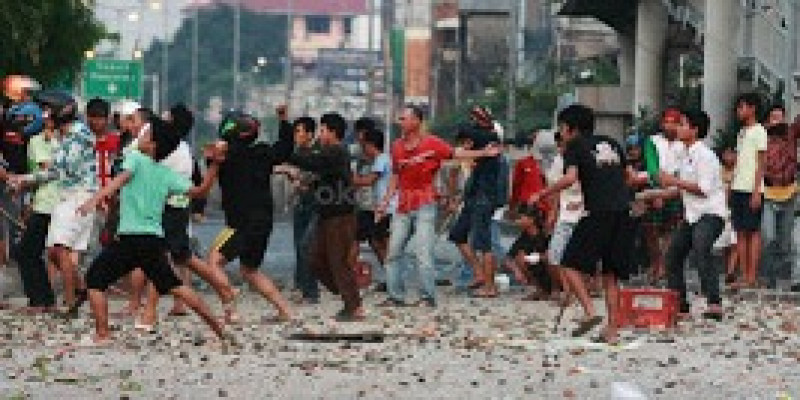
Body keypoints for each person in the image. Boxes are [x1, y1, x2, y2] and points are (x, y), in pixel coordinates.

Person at [77, 117, 226, 346]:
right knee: (176, 286)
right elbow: (200, 191)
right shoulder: (167, 174)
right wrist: (214, 165)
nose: (141, 137)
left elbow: (121, 179)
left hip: (130, 238)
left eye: (146, 135)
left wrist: (95, 199)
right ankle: (219, 329)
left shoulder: (135, 158)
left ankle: (103, 334)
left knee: (95, 279)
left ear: (153, 145)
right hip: (153, 240)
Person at [528, 104, 633, 344]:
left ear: (569, 128)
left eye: (562, 128)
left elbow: (570, 178)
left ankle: (590, 312)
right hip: (622, 212)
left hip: (598, 212)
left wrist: (542, 193)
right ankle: (612, 331)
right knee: (610, 274)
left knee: (568, 263)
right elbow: (630, 177)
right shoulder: (612, 143)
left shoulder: (575, 146)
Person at [376, 105, 499, 307]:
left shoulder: (432, 143)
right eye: (400, 119)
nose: (400, 122)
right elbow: (396, 176)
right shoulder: (397, 146)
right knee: (393, 253)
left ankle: (428, 296)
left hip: (425, 204)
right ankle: (395, 295)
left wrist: (483, 153)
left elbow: (456, 153)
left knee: (423, 253)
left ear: (416, 121)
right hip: (403, 206)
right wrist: (385, 201)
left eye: (404, 118)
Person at [137, 104, 238, 329]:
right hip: (176, 210)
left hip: (169, 210)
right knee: (185, 258)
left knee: (160, 259)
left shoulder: (171, 150)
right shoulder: (181, 148)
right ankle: (226, 292)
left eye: (166, 116)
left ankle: (149, 312)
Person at [9, 91, 97, 315]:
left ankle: (68, 302)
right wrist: (25, 180)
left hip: (77, 197)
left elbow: (60, 170)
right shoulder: (66, 136)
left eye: (47, 111)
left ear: (61, 112)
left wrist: (25, 179)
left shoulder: (77, 136)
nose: (44, 116)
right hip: (66, 197)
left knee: (59, 250)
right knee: (55, 251)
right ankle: (76, 292)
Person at [206, 109, 293, 323]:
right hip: (263, 221)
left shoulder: (224, 156)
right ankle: (285, 310)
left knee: (214, 262)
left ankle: (231, 309)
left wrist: (214, 156)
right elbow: (285, 149)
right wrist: (284, 121)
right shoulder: (262, 153)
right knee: (249, 269)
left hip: (239, 224)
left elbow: (210, 168)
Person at [285, 113, 363, 320]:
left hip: (340, 215)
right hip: (327, 214)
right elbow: (319, 175)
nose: (320, 134)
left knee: (338, 261)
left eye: (322, 130)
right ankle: (343, 290)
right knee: (314, 256)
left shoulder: (336, 152)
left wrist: (289, 152)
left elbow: (311, 162)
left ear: (332, 132)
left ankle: (353, 306)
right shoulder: (330, 154)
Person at [653, 109, 726, 320]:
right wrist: (655, 194)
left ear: (695, 130)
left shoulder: (706, 156)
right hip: (693, 215)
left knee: (701, 247)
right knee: (673, 254)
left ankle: (714, 302)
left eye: (683, 124)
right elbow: (679, 188)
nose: (678, 128)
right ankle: (679, 304)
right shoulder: (683, 155)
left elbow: (702, 189)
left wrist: (673, 181)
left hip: (711, 213)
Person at [447, 125, 503, 297]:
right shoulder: (481, 153)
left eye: (464, 143)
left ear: (470, 142)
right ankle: (479, 273)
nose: (462, 147)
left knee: (485, 244)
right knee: (458, 234)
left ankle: (490, 286)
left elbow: (458, 155)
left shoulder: (489, 154)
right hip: (472, 199)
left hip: (483, 200)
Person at [8, 101, 52, 312]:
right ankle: (44, 298)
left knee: (26, 251)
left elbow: (46, 172)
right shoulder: (36, 140)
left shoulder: (37, 141)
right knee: (33, 251)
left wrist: (22, 182)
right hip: (43, 200)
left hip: (47, 203)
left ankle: (40, 300)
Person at [641, 108, 685, 284]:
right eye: (667, 122)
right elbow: (652, 167)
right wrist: (659, 189)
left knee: (670, 230)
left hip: (676, 190)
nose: (670, 126)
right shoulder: (653, 141)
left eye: (674, 122)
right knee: (651, 230)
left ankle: (664, 266)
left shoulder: (683, 143)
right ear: (662, 124)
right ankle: (656, 262)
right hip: (656, 187)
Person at [730, 93, 768, 289]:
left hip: (752, 188)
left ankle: (752, 275)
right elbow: (739, 161)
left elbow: (761, 163)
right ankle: (744, 274)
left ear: (752, 109)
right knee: (740, 231)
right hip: (738, 186)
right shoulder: (742, 132)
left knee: (753, 231)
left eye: (742, 107)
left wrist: (756, 191)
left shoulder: (760, 131)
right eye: (738, 107)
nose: (739, 111)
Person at [351, 127, 395, 286]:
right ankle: (391, 279)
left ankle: (393, 280)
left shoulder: (381, 160)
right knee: (378, 243)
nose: (363, 150)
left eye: (364, 146)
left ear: (370, 145)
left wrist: (350, 178)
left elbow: (369, 181)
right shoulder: (383, 159)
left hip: (386, 208)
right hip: (382, 208)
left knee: (382, 244)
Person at [760, 113, 798, 289]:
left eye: (780, 117)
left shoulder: (791, 138)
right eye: (773, 117)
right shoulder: (763, 140)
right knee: (769, 237)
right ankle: (769, 277)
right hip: (769, 195)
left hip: (789, 194)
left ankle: (782, 278)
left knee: (785, 242)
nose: (777, 121)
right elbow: (761, 166)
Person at [288, 116, 321, 304]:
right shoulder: (297, 152)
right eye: (295, 132)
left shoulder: (318, 153)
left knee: (306, 246)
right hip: (300, 204)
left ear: (309, 134)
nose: (296, 135)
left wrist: (297, 179)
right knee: (299, 247)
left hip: (315, 204)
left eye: (299, 131)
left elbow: (315, 179)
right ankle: (301, 287)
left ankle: (311, 291)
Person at [505, 204, 553, 300]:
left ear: (531, 220)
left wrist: (537, 257)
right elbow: (508, 258)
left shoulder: (545, 234)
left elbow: (554, 255)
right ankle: (540, 289)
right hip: (538, 269)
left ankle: (555, 290)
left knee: (551, 261)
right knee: (520, 256)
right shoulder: (524, 236)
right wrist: (517, 271)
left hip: (552, 271)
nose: (517, 221)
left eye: (520, 218)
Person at [715, 145, 739, 284]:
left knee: (736, 242)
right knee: (726, 244)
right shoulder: (718, 170)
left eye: (732, 153)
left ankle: (731, 272)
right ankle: (728, 272)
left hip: (736, 209)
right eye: (727, 153)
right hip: (722, 210)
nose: (729, 156)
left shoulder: (740, 171)